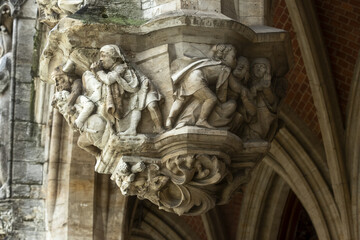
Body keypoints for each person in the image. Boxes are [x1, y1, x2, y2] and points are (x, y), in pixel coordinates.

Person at [91, 44, 164, 135]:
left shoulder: (120, 67)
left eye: (104, 56)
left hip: (145, 86)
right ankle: (132, 129)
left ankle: (160, 128)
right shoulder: (114, 69)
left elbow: (108, 80)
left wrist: (99, 71)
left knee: (152, 106)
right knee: (135, 108)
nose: (101, 59)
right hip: (136, 92)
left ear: (114, 58)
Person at [166, 44, 237, 129]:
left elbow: (209, 54)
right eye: (234, 57)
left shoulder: (212, 61)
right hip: (197, 79)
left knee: (181, 99)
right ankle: (202, 120)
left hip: (189, 76)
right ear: (225, 58)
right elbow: (235, 87)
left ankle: (170, 119)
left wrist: (216, 48)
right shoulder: (225, 69)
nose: (235, 61)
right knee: (211, 99)